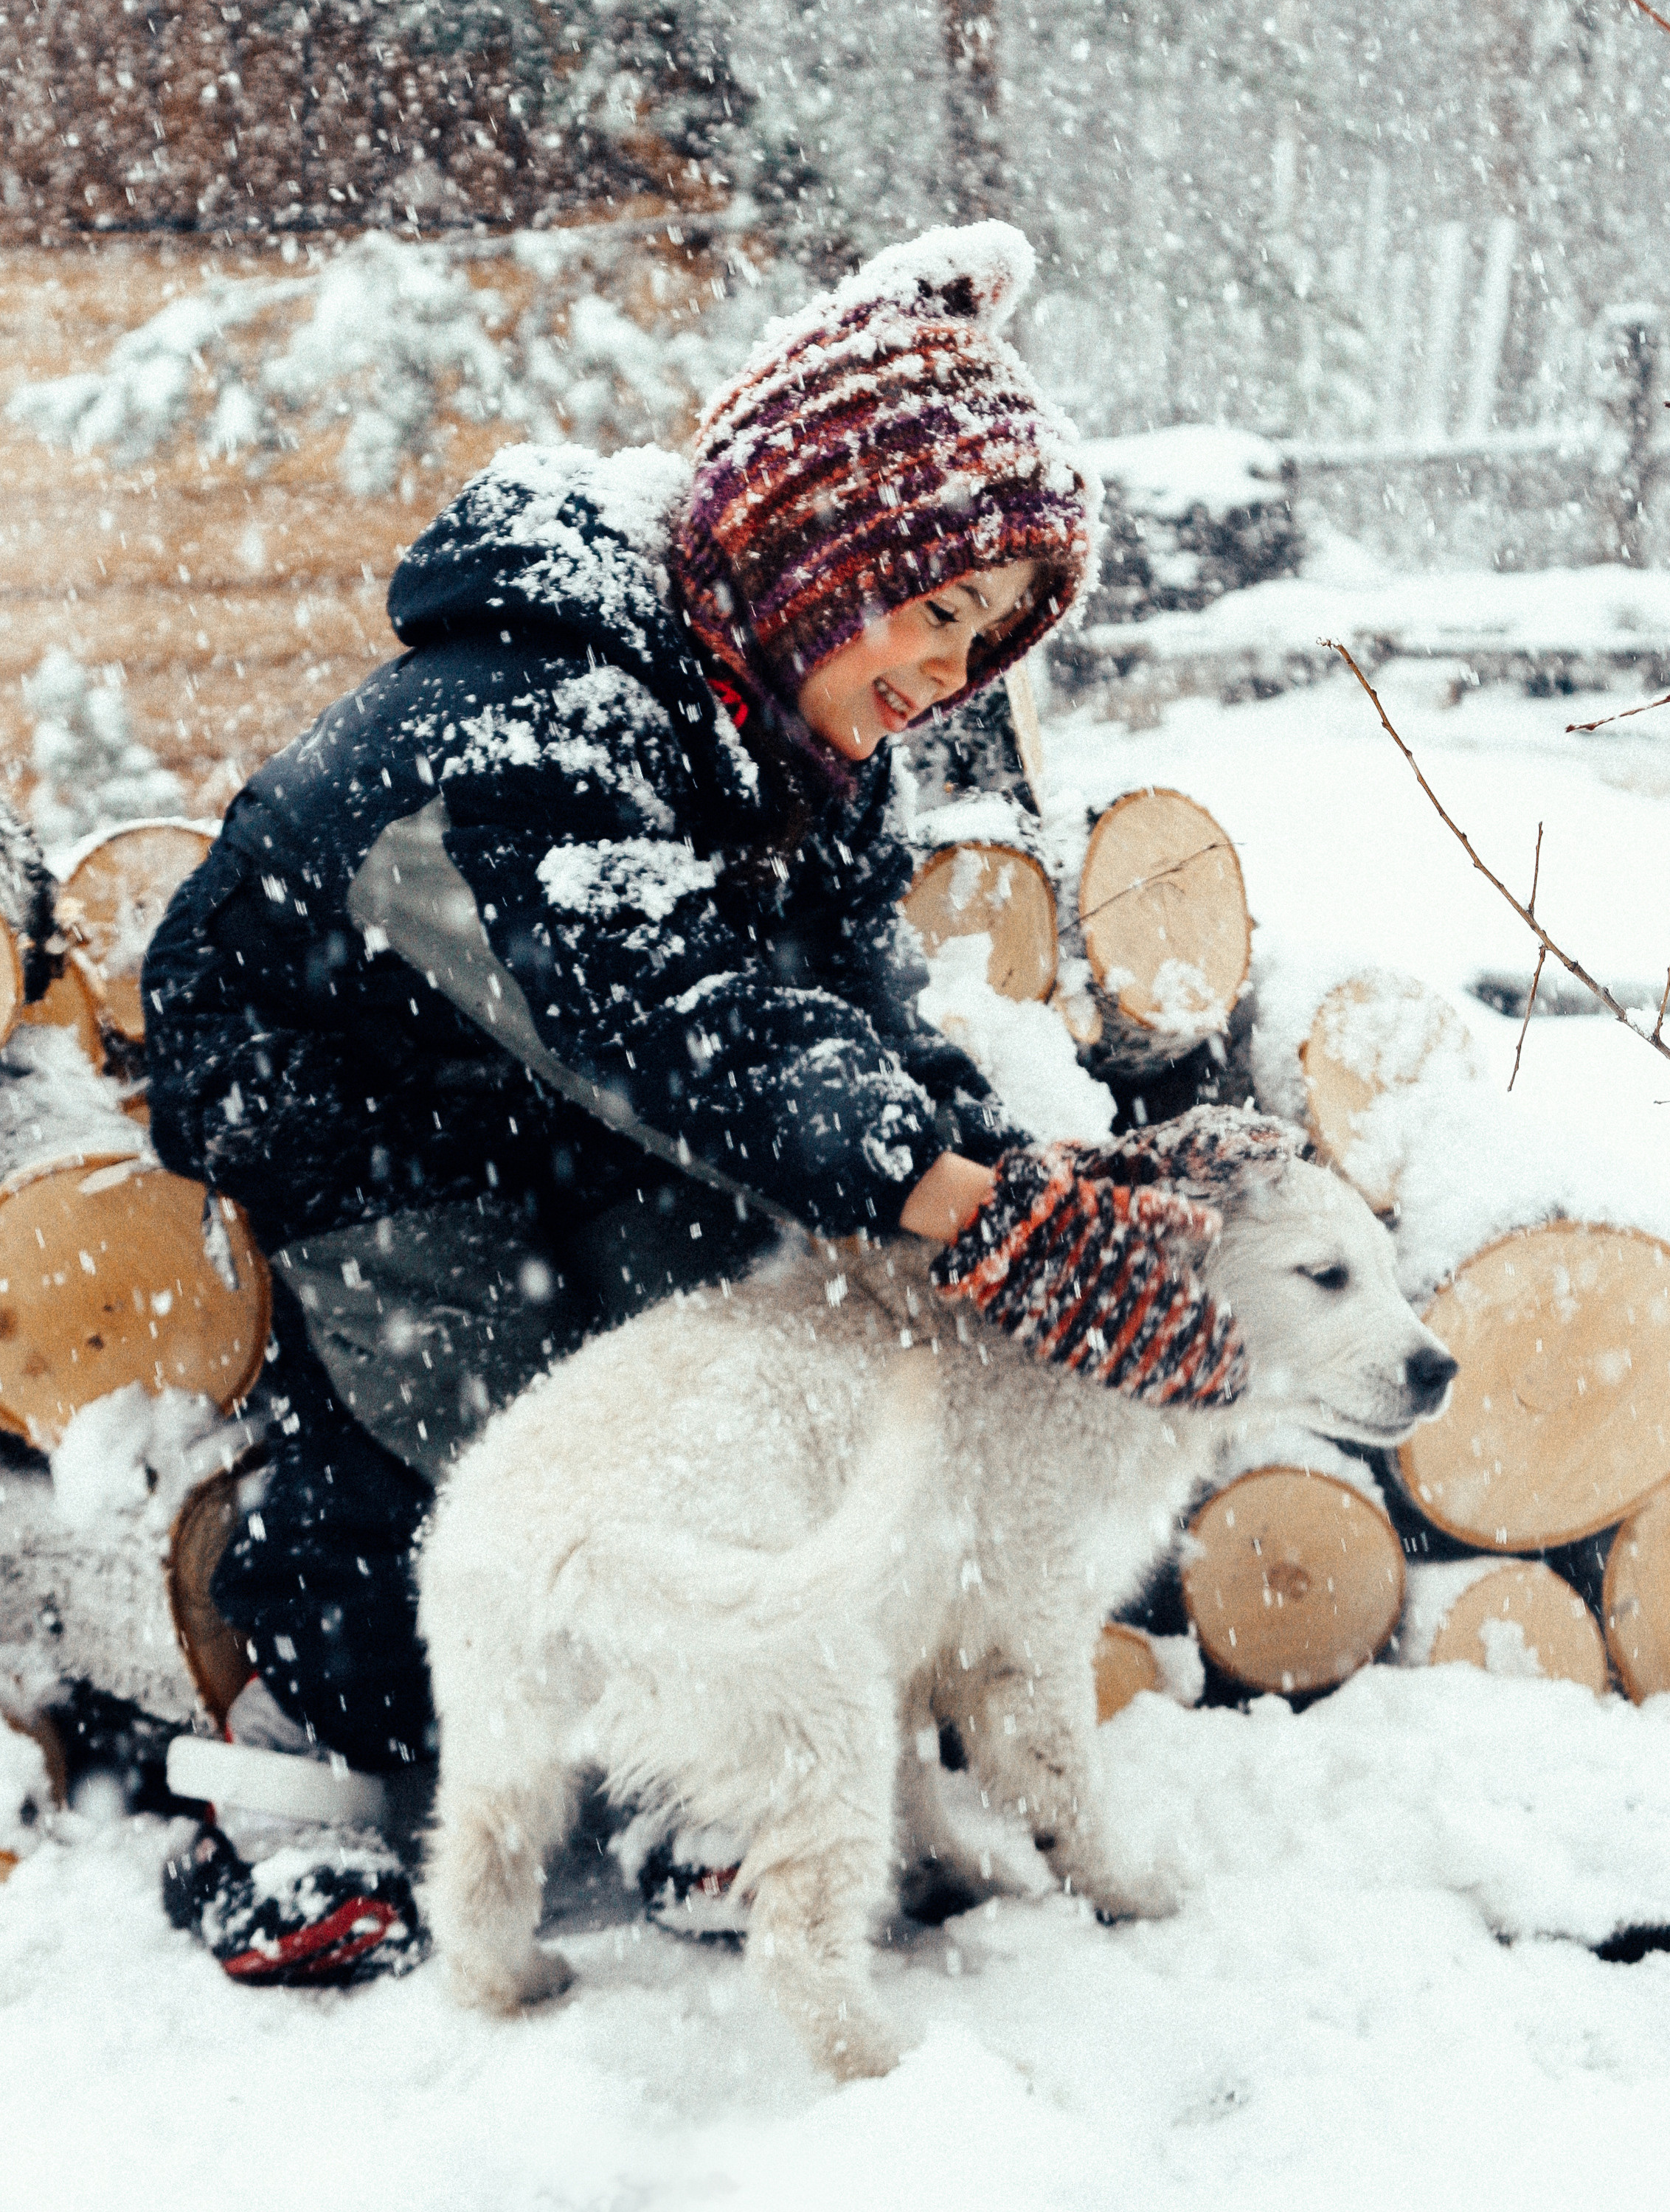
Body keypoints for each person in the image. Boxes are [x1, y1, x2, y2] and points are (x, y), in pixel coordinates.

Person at [144, 218, 1102, 1980]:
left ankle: (690, 1764)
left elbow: (852, 1002)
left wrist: (992, 1161)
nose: (945, 675)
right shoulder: (536, 700)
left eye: (985, 643)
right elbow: (652, 1006)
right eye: (934, 611)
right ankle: (303, 1752)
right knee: (475, 1400)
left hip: (565, 1083)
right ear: (820, 552)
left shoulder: (804, 745)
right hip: (343, 1077)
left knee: (708, 1342)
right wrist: (919, 1182)